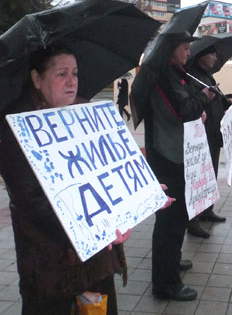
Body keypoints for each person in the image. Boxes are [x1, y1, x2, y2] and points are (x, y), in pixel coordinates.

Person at [0, 46, 130, 314]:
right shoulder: (16, 127)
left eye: (75, 73)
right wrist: (92, 232)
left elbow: (111, 170)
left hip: (97, 261)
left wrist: (141, 195)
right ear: (36, 79)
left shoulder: (85, 112)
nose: (72, 81)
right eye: (61, 74)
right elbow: (32, 202)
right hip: (50, 266)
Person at [132, 32, 215, 301]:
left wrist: (196, 103)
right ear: (171, 49)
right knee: (170, 220)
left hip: (174, 152)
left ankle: (171, 262)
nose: (189, 51)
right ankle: (166, 283)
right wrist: (202, 97)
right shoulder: (164, 74)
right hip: (168, 156)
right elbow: (185, 109)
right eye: (185, 47)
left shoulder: (173, 72)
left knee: (176, 217)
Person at [186, 45, 231, 238]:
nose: (215, 57)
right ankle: (193, 220)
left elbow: (217, 101)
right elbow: (191, 104)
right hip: (199, 138)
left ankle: (207, 210)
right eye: (212, 54)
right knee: (198, 178)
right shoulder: (191, 77)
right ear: (201, 57)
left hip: (213, 134)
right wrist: (204, 96)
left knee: (210, 176)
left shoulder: (208, 76)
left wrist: (228, 100)